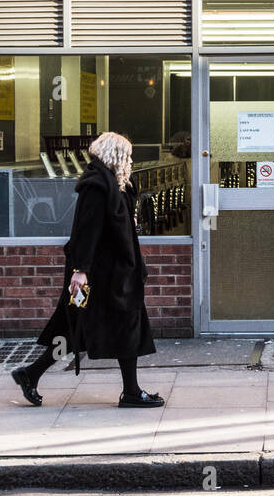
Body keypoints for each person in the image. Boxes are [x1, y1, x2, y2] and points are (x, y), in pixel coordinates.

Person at [12, 131, 163, 408]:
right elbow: (86, 230)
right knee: (117, 325)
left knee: (81, 329)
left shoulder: (115, 183)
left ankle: (30, 374)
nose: (130, 160)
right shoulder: (97, 186)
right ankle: (130, 392)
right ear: (116, 155)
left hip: (117, 270)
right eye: (127, 155)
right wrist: (80, 271)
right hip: (104, 273)